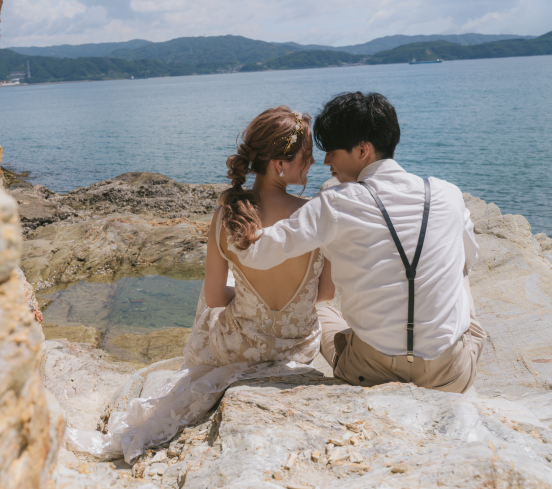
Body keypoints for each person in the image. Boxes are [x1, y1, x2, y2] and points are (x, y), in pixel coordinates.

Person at [65, 106, 335, 464]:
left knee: (215, 294)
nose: (313, 163)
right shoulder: (316, 215)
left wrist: (250, 296)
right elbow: (326, 295)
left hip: (240, 346)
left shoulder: (227, 215)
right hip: (296, 348)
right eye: (307, 156)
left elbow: (213, 298)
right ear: (280, 164)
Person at [230, 92, 486, 394]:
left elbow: (255, 253)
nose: (325, 162)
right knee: (461, 268)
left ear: (362, 150)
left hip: (368, 372)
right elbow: (470, 258)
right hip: (449, 376)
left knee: (322, 311)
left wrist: (236, 210)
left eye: (331, 151)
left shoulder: (335, 203)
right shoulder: (448, 194)